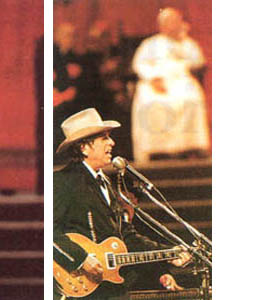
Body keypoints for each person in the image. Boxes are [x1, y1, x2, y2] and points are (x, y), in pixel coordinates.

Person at [54, 108, 190, 299]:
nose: (112, 142)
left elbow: (125, 236)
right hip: (79, 287)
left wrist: (167, 255)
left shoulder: (105, 183)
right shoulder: (63, 181)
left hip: (108, 288)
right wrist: (81, 259)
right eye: (104, 138)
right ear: (84, 147)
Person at [131, 7, 210, 163]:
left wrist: (182, 45)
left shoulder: (187, 43)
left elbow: (199, 62)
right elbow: (138, 64)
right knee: (152, 102)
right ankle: (158, 150)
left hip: (181, 81)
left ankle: (188, 146)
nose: (172, 26)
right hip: (155, 82)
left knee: (191, 99)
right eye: (168, 22)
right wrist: (153, 79)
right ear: (161, 25)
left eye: (175, 22)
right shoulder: (150, 44)